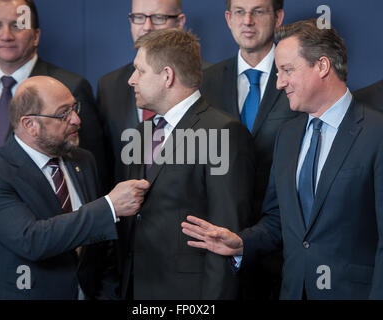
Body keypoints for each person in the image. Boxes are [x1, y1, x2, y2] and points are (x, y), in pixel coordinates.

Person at [182, 19, 383, 300]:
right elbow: (279, 219)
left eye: (287, 70)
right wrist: (241, 243)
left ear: (322, 66)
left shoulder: (376, 133)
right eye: (278, 72)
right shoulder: (288, 136)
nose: (279, 83)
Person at [0, 76, 149, 300]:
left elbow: (100, 247)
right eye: (63, 113)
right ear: (29, 125)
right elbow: (32, 241)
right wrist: (109, 207)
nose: (76, 119)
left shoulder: (83, 160)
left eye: (74, 108)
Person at [120, 28, 255, 299]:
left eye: (140, 71)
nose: (131, 80)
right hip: (138, 289)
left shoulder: (222, 132)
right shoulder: (142, 132)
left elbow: (225, 234)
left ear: (167, 76)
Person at [0, 0, 107, 264]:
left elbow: (89, 176)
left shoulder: (71, 87)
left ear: (36, 35)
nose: (6, 35)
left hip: (54, 255)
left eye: (18, 25)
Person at [200, 0, 297, 299]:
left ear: (278, 16)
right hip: (217, 245)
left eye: (259, 11)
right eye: (239, 12)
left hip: (285, 244)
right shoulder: (205, 80)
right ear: (228, 19)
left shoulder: (298, 79)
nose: (248, 21)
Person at [97, 0, 212, 190]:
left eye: (158, 18)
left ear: (180, 21)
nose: (147, 27)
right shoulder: (109, 85)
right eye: (139, 17)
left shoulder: (212, 78)